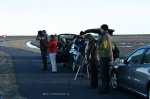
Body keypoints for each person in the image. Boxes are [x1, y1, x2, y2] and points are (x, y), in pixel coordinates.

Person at [98, 24, 114, 94]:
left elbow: (103, 46)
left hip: (104, 56)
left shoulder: (104, 36)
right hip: (109, 56)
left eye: (100, 29)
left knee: (104, 74)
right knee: (106, 73)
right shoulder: (110, 36)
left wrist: (99, 41)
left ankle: (105, 89)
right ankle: (106, 88)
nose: (100, 30)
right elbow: (113, 47)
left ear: (102, 29)